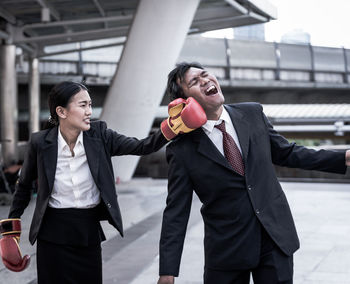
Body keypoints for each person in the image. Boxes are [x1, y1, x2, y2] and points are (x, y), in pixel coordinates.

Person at [157, 62, 350, 284]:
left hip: (274, 238)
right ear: (184, 101)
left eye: (205, 75)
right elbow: (176, 212)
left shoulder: (252, 113)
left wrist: (343, 156)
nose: (205, 81)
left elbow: (288, 153)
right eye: (194, 82)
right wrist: (167, 270)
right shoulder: (181, 150)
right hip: (226, 250)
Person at [0, 81, 206, 283]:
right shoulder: (40, 143)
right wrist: (9, 233)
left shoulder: (101, 136)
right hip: (52, 235)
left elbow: (142, 146)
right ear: (61, 112)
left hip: (87, 232)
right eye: (83, 105)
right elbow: (24, 186)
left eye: (90, 104)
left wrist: (173, 126)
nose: (89, 111)